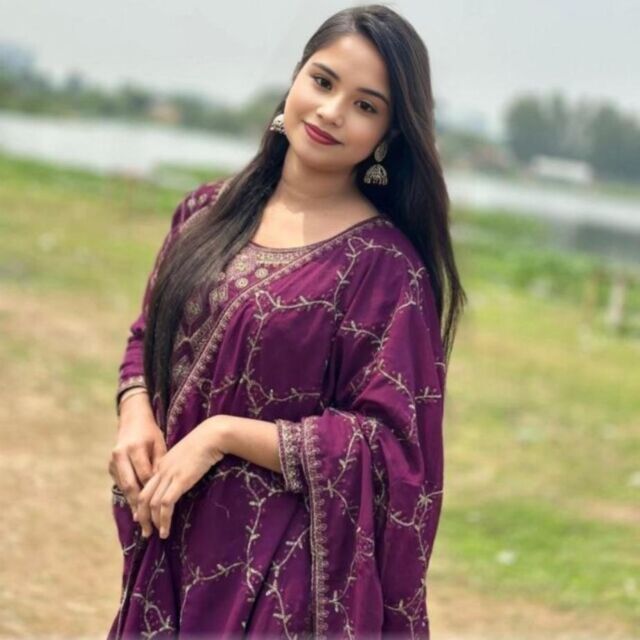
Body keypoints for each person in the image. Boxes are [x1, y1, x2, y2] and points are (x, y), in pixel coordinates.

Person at [107, 4, 466, 639]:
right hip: (168, 539)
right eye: (323, 82)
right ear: (296, 79)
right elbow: (147, 334)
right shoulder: (206, 212)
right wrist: (134, 412)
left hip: (283, 575)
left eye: (365, 105)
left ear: (388, 134)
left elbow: (393, 451)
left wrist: (221, 434)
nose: (331, 112)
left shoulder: (385, 270)